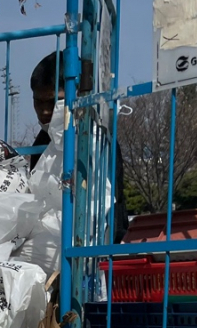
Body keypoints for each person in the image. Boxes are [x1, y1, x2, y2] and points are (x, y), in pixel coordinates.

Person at [30, 51, 128, 242]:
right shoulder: (42, 143)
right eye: (38, 102)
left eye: (53, 102)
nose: (44, 111)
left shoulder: (97, 139)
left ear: (77, 95)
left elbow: (113, 205)